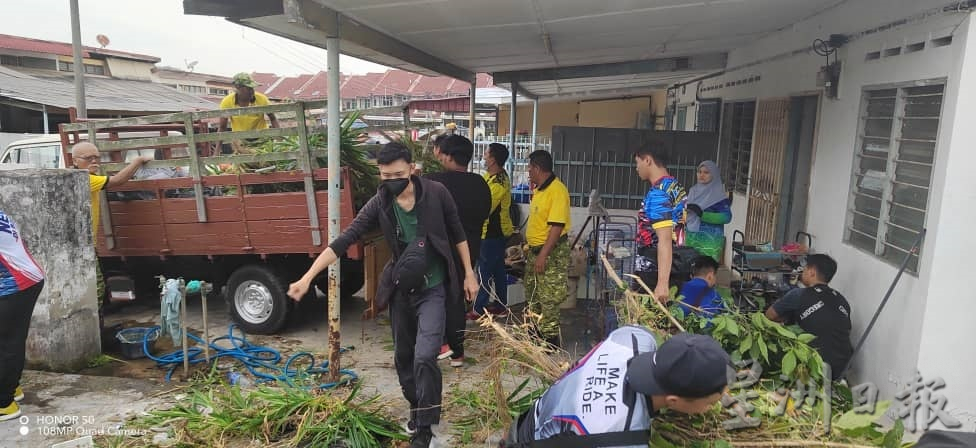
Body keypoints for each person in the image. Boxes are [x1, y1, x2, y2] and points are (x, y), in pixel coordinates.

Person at [287, 143, 479, 448]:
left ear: (413, 169)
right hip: (403, 289)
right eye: (385, 175)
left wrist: (469, 273)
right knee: (404, 358)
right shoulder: (381, 202)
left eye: (398, 174)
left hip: (434, 288)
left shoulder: (437, 194)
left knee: (425, 355)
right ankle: (416, 406)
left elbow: (458, 233)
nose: (392, 180)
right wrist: (307, 277)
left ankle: (426, 426)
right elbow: (346, 238)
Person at [501, 329, 729, 447]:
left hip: (530, 420)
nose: (713, 406)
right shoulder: (623, 436)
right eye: (710, 403)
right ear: (672, 401)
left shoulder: (632, 339)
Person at [425, 135, 491, 368]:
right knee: (457, 298)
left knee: (435, 296)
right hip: (470, 248)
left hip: (440, 250)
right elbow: (485, 213)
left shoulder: (432, 182)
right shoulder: (481, 183)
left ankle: (441, 344)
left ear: (447, 155)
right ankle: (457, 352)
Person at [71, 142, 152, 327]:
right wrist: (137, 161)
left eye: (96, 157)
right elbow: (116, 181)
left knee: (96, 287)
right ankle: (96, 329)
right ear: (75, 161)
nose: (94, 161)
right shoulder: (83, 179)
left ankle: (97, 326)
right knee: (97, 288)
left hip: (85, 244)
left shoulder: (87, 176)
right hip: (82, 246)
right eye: (88, 158)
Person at [765, 254, 852, 381]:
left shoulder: (798, 294)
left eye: (805, 269)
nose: (802, 272)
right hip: (842, 364)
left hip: (815, 363)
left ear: (811, 272)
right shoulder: (841, 300)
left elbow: (769, 316)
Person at [0, 210, 45, 422]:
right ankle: (12, 386)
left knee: (7, 343)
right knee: (11, 340)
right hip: (25, 280)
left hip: (14, 285)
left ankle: (4, 403)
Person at [524, 150, 571, 348]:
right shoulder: (539, 190)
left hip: (550, 253)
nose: (528, 172)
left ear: (537, 168)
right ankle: (534, 338)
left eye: (529, 168)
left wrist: (543, 255)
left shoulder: (557, 191)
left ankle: (550, 344)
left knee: (549, 299)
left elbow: (556, 226)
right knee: (533, 296)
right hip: (534, 252)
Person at [633, 142, 687, 303]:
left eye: (638, 162)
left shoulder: (658, 194)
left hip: (654, 270)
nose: (637, 168)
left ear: (648, 160)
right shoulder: (675, 187)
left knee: (649, 325)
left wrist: (662, 283)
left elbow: (664, 239)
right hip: (676, 265)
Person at [474, 143, 514, 317]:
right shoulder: (492, 176)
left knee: (484, 271)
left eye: (487, 154)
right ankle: (500, 306)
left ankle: (479, 309)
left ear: (493, 159)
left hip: (491, 232)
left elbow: (485, 207)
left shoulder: (499, 182)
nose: (483, 156)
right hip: (495, 233)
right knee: (497, 270)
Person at [217, 73, 280, 155]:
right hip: (240, 141)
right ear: (238, 88)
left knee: (265, 162)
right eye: (249, 88)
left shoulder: (261, 99)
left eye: (252, 88)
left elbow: (273, 118)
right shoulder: (227, 102)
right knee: (242, 165)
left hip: (262, 139)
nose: (252, 91)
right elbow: (222, 127)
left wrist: (279, 140)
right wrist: (217, 151)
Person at [684, 161, 731, 262]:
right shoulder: (693, 191)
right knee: (690, 271)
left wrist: (702, 214)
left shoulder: (719, 196)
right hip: (692, 239)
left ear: (714, 175)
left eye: (706, 172)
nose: (702, 175)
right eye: (699, 172)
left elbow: (727, 217)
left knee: (707, 272)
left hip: (710, 242)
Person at [677, 256, 725, 325]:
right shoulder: (714, 295)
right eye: (715, 276)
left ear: (691, 275)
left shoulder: (678, 288)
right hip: (704, 333)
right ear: (710, 275)